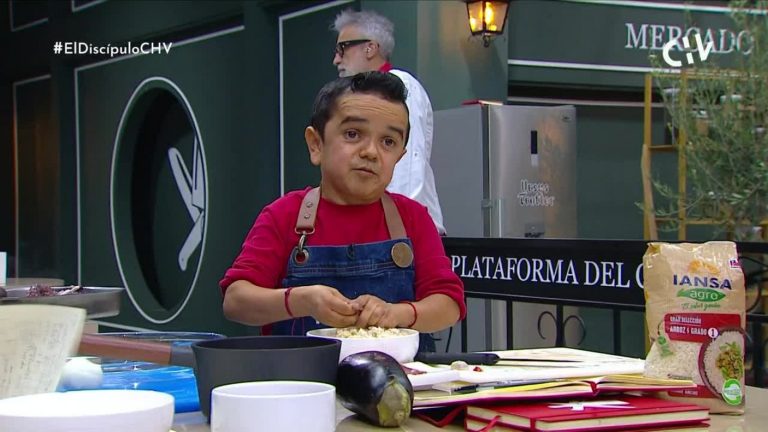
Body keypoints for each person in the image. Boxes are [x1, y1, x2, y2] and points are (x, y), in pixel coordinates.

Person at [220, 72, 465, 349]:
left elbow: (449, 304)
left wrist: (397, 314)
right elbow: (235, 301)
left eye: (388, 142)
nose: (371, 152)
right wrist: (301, 300)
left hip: (398, 373)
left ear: (400, 157)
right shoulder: (283, 215)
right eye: (353, 134)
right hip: (301, 373)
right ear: (316, 144)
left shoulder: (414, 218)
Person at [332, 9, 446, 235]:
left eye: (342, 48)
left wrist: (396, 229)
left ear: (370, 48)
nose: (336, 59)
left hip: (402, 232)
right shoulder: (369, 95)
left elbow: (408, 167)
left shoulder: (399, 86)